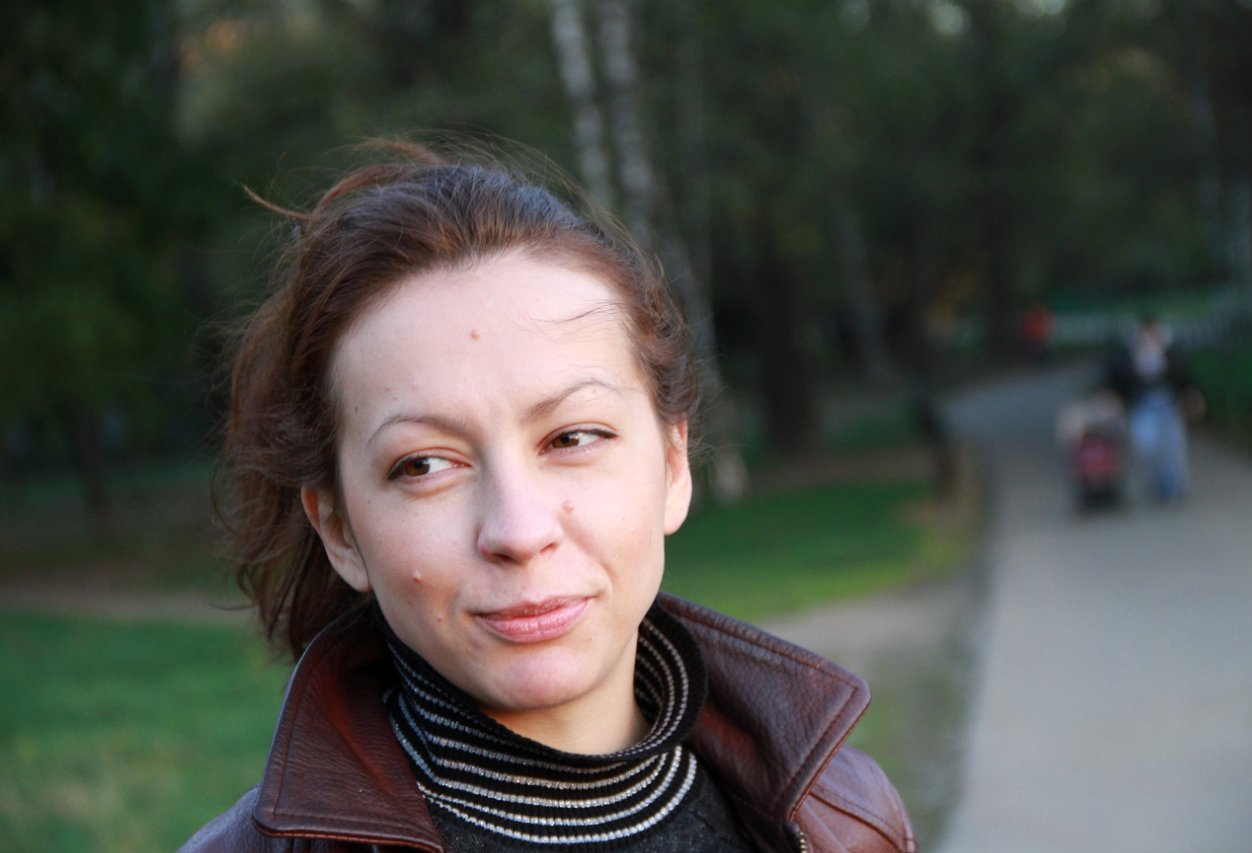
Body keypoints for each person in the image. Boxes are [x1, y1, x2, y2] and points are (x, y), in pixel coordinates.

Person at [182, 140, 915, 852]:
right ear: (340, 531)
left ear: (672, 465)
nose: (519, 530)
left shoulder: (845, 817)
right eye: (425, 464)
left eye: (572, 437)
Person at [1104, 314, 1201, 502]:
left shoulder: (1170, 354)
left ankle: (1174, 487)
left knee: (1172, 449)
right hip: (1142, 408)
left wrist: (1191, 396)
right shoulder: (1127, 357)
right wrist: (1113, 398)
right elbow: (1115, 381)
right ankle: (1155, 483)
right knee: (1145, 446)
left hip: (1169, 406)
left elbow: (1185, 378)